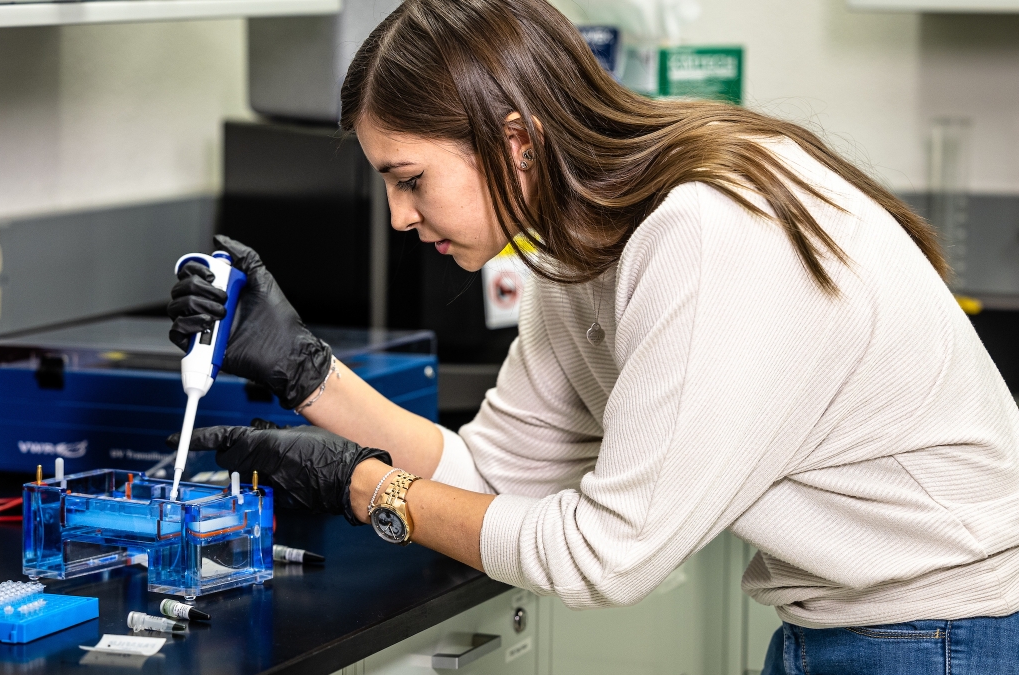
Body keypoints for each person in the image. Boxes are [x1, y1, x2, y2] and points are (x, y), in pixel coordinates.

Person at [166, 0, 1019, 671]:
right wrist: (309, 373)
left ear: (516, 138)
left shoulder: (703, 232)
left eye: (411, 178)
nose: (398, 214)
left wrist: (371, 491)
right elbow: (496, 477)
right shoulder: (579, 250)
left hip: (944, 634)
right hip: (843, 625)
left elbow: (604, 558)